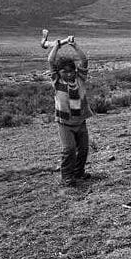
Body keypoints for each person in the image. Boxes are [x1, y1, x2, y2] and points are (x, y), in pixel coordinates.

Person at [47, 36, 93, 186]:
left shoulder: (80, 79)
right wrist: (57, 46)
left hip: (80, 121)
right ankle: (67, 176)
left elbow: (84, 61)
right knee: (69, 150)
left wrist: (75, 46)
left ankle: (79, 173)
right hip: (65, 123)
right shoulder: (57, 82)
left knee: (84, 149)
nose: (68, 74)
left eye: (71, 71)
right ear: (59, 72)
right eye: (64, 71)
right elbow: (50, 61)